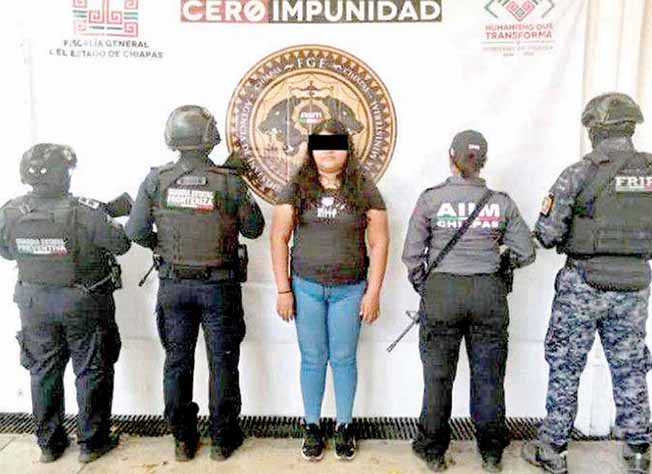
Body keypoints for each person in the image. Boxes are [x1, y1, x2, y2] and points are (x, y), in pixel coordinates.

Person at [126, 105, 265, 462]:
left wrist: (161, 247)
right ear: (209, 137)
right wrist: (237, 183)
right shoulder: (228, 181)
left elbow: (135, 231)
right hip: (219, 288)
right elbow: (254, 229)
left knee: (176, 362)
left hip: (173, 285)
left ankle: (183, 441)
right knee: (222, 363)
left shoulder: (156, 180)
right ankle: (222, 440)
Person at [522, 93, 652, 474]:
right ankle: (638, 451)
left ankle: (553, 449)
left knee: (566, 364)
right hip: (633, 286)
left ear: (595, 129)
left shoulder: (579, 173)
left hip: (584, 284)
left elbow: (548, 234)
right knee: (630, 366)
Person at [402, 130, 536, 473]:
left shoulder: (432, 199)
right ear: (484, 162)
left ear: (451, 158)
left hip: (442, 292)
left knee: (437, 377)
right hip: (488, 293)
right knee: (489, 377)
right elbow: (526, 252)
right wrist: (501, 266)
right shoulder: (501, 202)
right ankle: (491, 453)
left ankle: (432, 451)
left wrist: (427, 288)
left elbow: (412, 256)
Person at [0, 144, 129, 464]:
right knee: (91, 369)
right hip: (82, 302)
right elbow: (121, 244)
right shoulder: (85, 211)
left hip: (33, 303)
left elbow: (4, 250)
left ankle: (49, 445)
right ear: (62, 175)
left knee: (42, 370)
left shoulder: (10, 212)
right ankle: (92, 443)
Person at [270, 119, 390, 462]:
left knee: (343, 359)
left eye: (336, 144)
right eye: (321, 145)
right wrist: (283, 290)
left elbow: (380, 242)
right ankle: (311, 425)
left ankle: (344, 425)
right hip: (305, 288)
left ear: (347, 149)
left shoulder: (364, 187)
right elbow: (279, 238)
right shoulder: (296, 187)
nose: (329, 152)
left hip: (350, 290)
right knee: (312, 359)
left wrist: (373, 292)